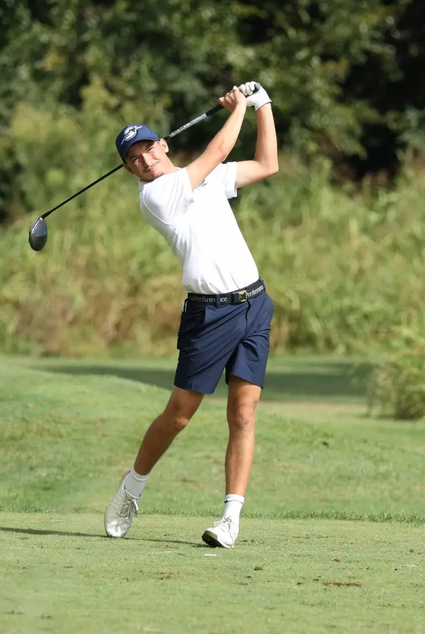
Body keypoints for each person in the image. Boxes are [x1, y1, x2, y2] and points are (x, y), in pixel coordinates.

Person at [104, 81, 278, 548]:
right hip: (209, 315)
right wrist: (238, 106)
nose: (144, 159)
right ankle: (133, 485)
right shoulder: (158, 196)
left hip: (254, 304)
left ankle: (230, 519)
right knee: (180, 415)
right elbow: (219, 148)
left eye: (147, 148)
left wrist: (262, 107)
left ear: (162, 144)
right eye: (133, 159)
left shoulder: (206, 180)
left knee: (244, 412)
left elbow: (267, 164)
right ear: (129, 170)